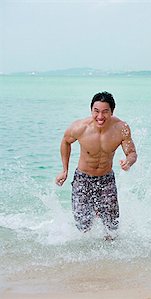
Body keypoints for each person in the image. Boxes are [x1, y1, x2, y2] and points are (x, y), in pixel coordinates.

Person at [55, 91, 137, 240]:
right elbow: (65, 141)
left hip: (106, 180)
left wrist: (128, 162)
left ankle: (110, 259)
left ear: (112, 111)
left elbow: (131, 153)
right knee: (83, 225)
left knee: (111, 228)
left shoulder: (121, 128)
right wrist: (64, 170)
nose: (100, 117)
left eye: (105, 112)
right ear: (91, 110)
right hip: (82, 179)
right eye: (96, 111)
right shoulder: (80, 127)